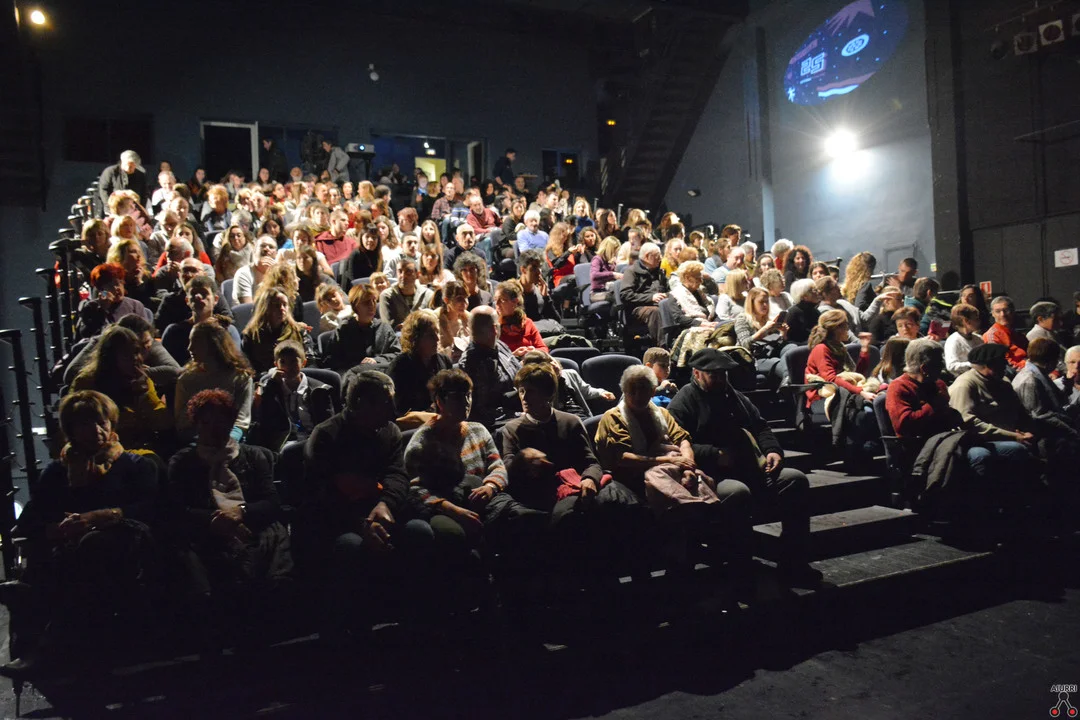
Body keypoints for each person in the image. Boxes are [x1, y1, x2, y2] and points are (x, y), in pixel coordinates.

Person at [7, 391, 160, 673]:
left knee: (90, 547)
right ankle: (43, 642)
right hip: (70, 547)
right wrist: (57, 529)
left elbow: (151, 508)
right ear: (71, 430)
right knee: (61, 560)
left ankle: (45, 647)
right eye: (86, 424)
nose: (96, 430)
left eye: (102, 422)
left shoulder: (135, 464)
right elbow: (31, 518)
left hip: (123, 542)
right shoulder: (58, 471)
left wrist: (98, 517)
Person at [668, 349, 819, 586]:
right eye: (714, 375)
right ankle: (740, 570)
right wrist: (713, 454)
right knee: (737, 492)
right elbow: (675, 444)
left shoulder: (734, 396)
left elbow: (760, 426)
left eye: (723, 374)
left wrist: (772, 450)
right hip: (710, 474)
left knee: (795, 480)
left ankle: (794, 562)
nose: (720, 379)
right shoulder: (683, 401)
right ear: (697, 373)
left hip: (748, 468)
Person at [594, 366, 752, 590]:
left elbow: (683, 440)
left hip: (670, 473)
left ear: (653, 390)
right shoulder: (613, 418)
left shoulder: (661, 413)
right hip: (633, 479)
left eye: (644, 389)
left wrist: (687, 466)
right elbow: (621, 457)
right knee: (676, 510)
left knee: (696, 497)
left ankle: (686, 572)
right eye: (632, 390)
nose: (638, 395)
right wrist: (667, 460)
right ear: (624, 391)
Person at [301, 370, 429, 641]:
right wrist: (361, 524)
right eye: (386, 403)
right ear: (361, 403)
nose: (392, 410)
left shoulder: (389, 431)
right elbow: (321, 497)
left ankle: (414, 625)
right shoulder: (326, 436)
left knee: (419, 531)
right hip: (340, 520)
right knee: (351, 546)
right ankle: (346, 636)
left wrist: (385, 505)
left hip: (379, 511)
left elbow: (397, 475)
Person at [166, 389, 293, 650]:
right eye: (206, 422)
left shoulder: (254, 456)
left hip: (252, 529)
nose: (214, 428)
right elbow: (178, 509)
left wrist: (241, 512)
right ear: (196, 424)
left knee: (264, 563)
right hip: (208, 532)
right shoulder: (184, 461)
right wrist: (216, 519)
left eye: (221, 420)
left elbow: (271, 502)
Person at [501, 362, 639, 579]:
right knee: (571, 519)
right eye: (521, 391)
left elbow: (591, 462)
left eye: (531, 391)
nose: (524, 397)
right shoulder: (512, 429)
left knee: (618, 505)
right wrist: (522, 460)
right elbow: (508, 470)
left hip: (576, 484)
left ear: (548, 394)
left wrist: (589, 479)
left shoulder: (570, 422)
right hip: (542, 492)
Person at [886, 339, 1035, 521]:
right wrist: (934, 405)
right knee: (980, 456)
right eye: (939, 362)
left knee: (1015, 450)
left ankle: (1014, 508)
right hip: (923, 447)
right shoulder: (899, 387)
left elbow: (951, 416)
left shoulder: (938, 385)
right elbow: (903, 424)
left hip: (952, 440)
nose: (942, 366)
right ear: (924, 368)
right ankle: (980, 514)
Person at [403, 370, 519, 596]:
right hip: (443, 505)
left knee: (517, 518)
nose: (466, 402)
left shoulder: (478, 430)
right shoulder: (422, 441)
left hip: (480, 497)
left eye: (468, 395)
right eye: (458, 396)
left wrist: (490, 487)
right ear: (440, 401)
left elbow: (497, 466)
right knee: (454, 535)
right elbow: (414, 489)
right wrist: (451, 509)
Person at [70, 325, 174, 456]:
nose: (135, 358)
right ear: (110, 358)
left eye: (136, 352)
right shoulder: (87, 383)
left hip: (142, 448)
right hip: (102, 450)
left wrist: (143, 395)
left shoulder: (142, 381)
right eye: (126, 354)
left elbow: (163, 422)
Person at [805, 310, 881, 465]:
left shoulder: (839, 347)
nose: (848, 329)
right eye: (845, 325)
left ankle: (865, 452)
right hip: (823, 396)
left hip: (842, 392)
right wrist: (861, 392)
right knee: (863, 413)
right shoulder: (821, 348)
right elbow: (830, 378)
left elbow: (854, 375)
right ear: (836, 328)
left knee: (874, 405)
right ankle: (855, 456)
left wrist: (864, 351)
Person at [175, 319, 254, 442]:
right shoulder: (187, 379)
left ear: (214, 344)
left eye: (196, 342)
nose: (190, 348)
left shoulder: (240, 378)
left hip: (231, 440)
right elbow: (181, 422)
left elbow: (241, 421)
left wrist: (226, 442)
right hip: (195, 440)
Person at [949, 343, 1036, 445]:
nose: (1006, 364)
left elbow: (1019, 411)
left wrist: (1026, 430)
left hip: (1013, 433)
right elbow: (968, 422)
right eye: (1001, 361)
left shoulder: (1003, 382)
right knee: (1016, 448)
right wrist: (1012, 436)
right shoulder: (965, 385)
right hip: (982, 440)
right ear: (988, 365)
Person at [253, 340, 335, 447]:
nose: (288, 366)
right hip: (283, 442)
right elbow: (263, 420)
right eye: (283, 362)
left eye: (293, 362)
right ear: (276, 365)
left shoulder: (320, 390)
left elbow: (328, 424)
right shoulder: (271, 389)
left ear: (303, 363)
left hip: (313, 442)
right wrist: (270, 388)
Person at [457, 306, 520, 428]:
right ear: (495, 329)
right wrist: (519, 415)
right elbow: (482, 412)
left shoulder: (499, 346)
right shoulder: (472, 365)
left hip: (519, 406)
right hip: (499, 424)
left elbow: (517, 371)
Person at [387, 310, 453, 420]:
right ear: (415, 338)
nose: (437, 339)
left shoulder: (444, 361)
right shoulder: (400, 366)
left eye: (437, 333)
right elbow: (400, 410)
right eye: (431, 335)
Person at [323, 284, 401, 372]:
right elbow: (331, 360)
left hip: (381, 374)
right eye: (366, 302)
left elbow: (397, 354)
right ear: (355, 305)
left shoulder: (384, 328)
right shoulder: (344, 330)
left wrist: (377, 360)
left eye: (374, 301)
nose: (372, 305)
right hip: (353, 375)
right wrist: (359, 365)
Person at [240, 286, 315, 375]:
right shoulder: (251, 335)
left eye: (285, 305)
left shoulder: (299, 331)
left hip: (299, 377)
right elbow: (249, 368)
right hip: (265, 379)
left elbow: (311, 362)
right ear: (266, 308)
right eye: (276, 305)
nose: (282, 308)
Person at [76, 263, 153, 339]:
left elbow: (145, 334)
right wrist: (102, 310)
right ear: (101, 290)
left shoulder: (135, 305)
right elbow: (86, 334)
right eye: (110, 285)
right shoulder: (92, 307)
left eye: (118, 283)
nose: (116, 288)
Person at [735, 287, 793, 388]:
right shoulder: (742, 318)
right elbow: (745, 344)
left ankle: (790, 381)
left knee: (791, 347)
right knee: (778, 363)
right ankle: (789, 382)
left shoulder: (768, 321)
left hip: (770, 352)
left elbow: (777, 344)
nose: (765, 305)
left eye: (767, 301)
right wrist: (764, 329)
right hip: (754, 357)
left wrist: (783, 334)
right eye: (761, 302)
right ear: (752, 303)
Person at [619, 242, 669, 345]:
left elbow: (669, 290)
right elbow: (625, 295)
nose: (660, 258)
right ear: (647, 257)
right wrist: (651, 298)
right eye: (657, 255)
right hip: (638, 307)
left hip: (660, 305)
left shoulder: (660, 273)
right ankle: (663, 347)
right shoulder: (631, 272)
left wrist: (667, 295)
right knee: (655, 312)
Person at [1013, 337, 1068, 419]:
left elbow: (1058, 400)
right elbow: (1038, 416)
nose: (1057, 363)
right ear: (1050, 361)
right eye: (1057, 359)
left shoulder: (1040, 374)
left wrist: (1068, 388)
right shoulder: (1030, 381)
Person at [378, 257, 433, 331]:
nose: (403, 276)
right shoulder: (387, 296)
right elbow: (388, 327)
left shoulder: (428, 295)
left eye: (408, 272)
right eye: (400, 271)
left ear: (417, 275)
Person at [494, 280, 549, 355]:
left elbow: (543, 348)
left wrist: (534, 351)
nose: (497, 304)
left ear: (515, 301)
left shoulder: (527, 323)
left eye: (502, 300)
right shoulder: (493, 325)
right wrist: (513, 355)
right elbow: (490, 354)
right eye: (495, 299)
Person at [982, 295, 1027, 372]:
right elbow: (1000, 363)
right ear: (992, 314)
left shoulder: (1017, 334)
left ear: (1013, 311)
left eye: (1006, 310)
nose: (1003, 314)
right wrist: (1027, 364)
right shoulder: (992, 335)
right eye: (998, 311)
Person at [231, 236, 278, 305]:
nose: (267, 249)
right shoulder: (243, 273)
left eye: (271, 247)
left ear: (276, 254)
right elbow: (248, 307)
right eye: (263, 246)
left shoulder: (278, 274)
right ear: (254, 251)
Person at [945, 303, 984, 375]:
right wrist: (972, 365)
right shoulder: (953, 340)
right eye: (976, 319)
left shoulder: (979, 339)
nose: (979, 322)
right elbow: (951, 366)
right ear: (966, 321)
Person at [436, 281, 471, 361]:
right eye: (459, 299)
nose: (465, 303)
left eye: (466, 298)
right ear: (446, 300)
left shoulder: (468, 320)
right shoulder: (436, 321)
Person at [784, 279, 821, 345]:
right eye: (814, 290)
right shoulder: (792, 313)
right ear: (804, 296)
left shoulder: (815, 311)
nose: (818, 292)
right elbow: (789, 340)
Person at [590, 236, 623, 303]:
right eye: (614, 251)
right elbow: (594, 275)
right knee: (616, 297)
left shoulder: (611, 261)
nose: (615, 253)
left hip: (609, 291)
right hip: (597, 294)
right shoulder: (597, 259)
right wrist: (613, 274)